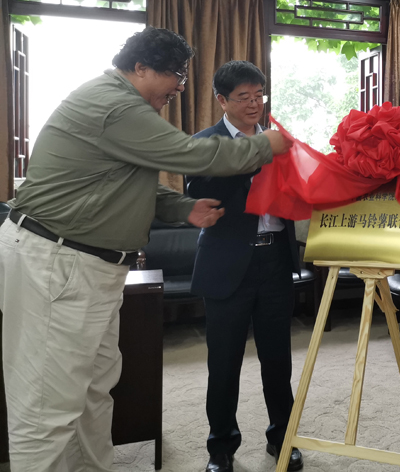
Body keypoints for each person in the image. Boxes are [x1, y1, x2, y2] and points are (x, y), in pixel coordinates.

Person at [0, 27, 291, 472]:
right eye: (176, 75)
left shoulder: (122, 105)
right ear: (140, 68)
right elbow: (190, 154)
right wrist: (263, 145)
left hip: (90, 267)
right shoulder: (115, 105)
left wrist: (185, 208)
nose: (180, 87)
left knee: (94, 391)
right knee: (46, 408)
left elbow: (133, 187)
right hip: (58, 262)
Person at [186, 61, 303, 472]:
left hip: (274, 260)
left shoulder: (280, 141)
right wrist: (254, 156)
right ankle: (221, 448)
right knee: (223, 362)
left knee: (278, 359)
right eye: (243, 97)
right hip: (227, 262)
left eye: (259, 95)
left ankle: (283, 439)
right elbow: (197, 189)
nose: (254, 104)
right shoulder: (204, 143)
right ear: (222, 100)